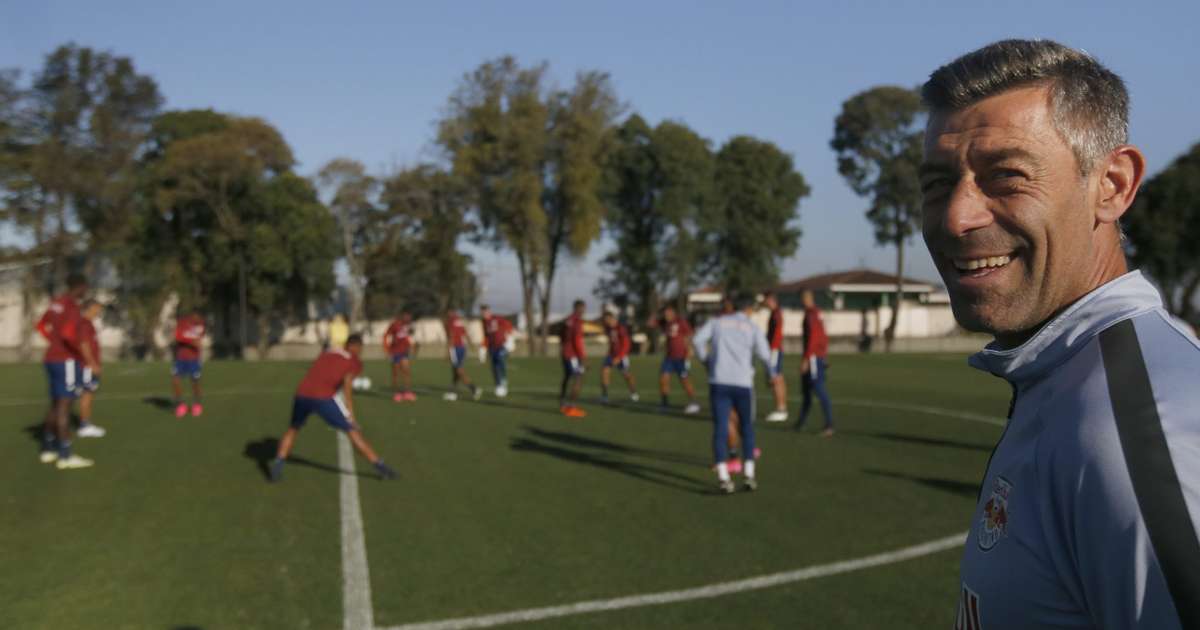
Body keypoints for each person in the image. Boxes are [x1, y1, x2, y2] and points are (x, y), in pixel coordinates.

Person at [920, 40, 1199, 629]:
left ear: (1113, 185)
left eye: (1007, 177)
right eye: (938, 185)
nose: (956, 216)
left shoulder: (1137, 431)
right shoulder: (1067, 377)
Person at [268, 334, 396, 482]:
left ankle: (278, 464)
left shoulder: (328, 351)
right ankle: (381, 467)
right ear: (357, 347)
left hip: (302, 393)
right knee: (352, 430)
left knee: (293, 429)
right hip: (323, 397)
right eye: (361, 348)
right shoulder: (354, 361)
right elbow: (347, 388)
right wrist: (351, 414)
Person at [692, 292, 776, 494]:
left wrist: (706, 361)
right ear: (748, 309)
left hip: (719, 382)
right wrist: (771, 373)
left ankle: (723, 477)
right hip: (743, 383)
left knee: (721, 428)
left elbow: (696, 341)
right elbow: (765, 355)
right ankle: (749, 475)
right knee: (747, 428)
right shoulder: (752, 327)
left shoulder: (717, 323)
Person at [35, 273, 96, 469]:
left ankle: (47, 449)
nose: (86, 291)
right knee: (64, 407)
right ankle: (65, 455)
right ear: (80, 287)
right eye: (85, 287)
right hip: (66, 361)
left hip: (51, 358)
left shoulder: (56, 303)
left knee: (55, 404)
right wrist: (83, 356)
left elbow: (41, 325)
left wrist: (52, 342)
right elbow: (69, 335)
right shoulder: (71, 306)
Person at [794, 290, 833, 437]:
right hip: (816, 356)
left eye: (803, 298)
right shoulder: (815, 313)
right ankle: (801, 422)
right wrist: (824, 354)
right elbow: (823, 336)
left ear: (808, 298)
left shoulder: (812, 314)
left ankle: (829, 424)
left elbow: (814, 338)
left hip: (813, 358)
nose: (802, 301)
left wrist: (807, 359)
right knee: (806, 392)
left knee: (818, 389)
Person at [650, 305, 700, 414]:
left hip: (681, 356)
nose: (666, 315)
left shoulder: (681, 322)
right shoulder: (664, 323)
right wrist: (656, 313)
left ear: (674, 313)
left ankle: (694, 402)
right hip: (669, 357)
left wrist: (689, 350)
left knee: (684, 381)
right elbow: (650, 324)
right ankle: (664, 404)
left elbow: (689, 335)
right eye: (665, 313)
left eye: (668, 313)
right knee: (663, 379)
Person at [75, 299, 106, 438]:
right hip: (87, 367)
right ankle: (84, 426)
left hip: (89, 365)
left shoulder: (88, 324)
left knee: (88, 394)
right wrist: (92, 364)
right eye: (97, 308)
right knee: (86, 394)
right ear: (90, 308)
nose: (99, 311)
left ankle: (85, 423)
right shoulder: (84, 324)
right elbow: (84, 345)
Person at [171, 308, 206, 418]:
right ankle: (181, 405)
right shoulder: (182, 323)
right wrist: (191, 341)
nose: (197, 319)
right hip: (180, 358)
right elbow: (178, 336)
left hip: (193, 359)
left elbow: (198, 338)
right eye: (195, 316)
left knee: (195, 382)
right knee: (175, 380)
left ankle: (197, 405)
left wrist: (192, 341)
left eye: (199, 317)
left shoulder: (200, 325)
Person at [599, 311, 638, 404]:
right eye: (606, 320)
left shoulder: (621, 328)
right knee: (604, 371)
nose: (607, 322)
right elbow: (612, 343)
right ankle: (605, 396)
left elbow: (626, 344)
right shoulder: (608, 329)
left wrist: (619, 357)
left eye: (609, 320)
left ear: (613, 319)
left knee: (626, 375)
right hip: (611, 355)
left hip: (621, 356)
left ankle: (634, 393)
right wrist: (609, 353)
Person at [443, 309, 481, 401]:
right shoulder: (459, 321)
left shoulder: (451, 321)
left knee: (459, 371)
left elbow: (451, 336)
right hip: (462, 348)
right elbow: (465, 334)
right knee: (455, 371)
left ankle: (474, 389)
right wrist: (471, 344)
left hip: (455, 349)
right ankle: (453, 393)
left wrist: (448, 351)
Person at [558, 300, 587, 418]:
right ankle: (572, 407)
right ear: (578, 308)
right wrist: (582, 357)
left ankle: (563, 402)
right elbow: (577, 340)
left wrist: (564, 345)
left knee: (567, 377)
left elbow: (560, 333)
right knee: (578, 379)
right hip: (572, 355)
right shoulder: (577, 321)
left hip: (565, 353)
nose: (584, 311)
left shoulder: (567, 320)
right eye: (583, 308)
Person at [762, 291, 789, 422]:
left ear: (772, 300)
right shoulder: (775, 313)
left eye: (766, 300)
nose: (765, 303)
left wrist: (772, 350)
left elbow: (777, 332)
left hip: (774, 350)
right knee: (779, 377)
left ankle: (780, 409)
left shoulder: (776, 314)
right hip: (775, 349)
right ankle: (782, 407)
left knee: (774, 379)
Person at [479, 305, 514, 397]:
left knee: (500, 359)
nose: (484, 314)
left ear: (489, 311)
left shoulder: (497, 318)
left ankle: (503, 379)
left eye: (485, 312)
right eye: (482, 313)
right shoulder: (484, 322)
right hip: (492, 347)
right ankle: (498, 385)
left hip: (501, 345)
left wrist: (510, 340)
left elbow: (509, 326)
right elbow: (486, 336)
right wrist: (483, 348)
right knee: (494, 366)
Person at [383, 310, 416, 402]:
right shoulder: (394, 324)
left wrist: (411, 346)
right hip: (395, 352)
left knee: (406, 371)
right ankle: (397, 394)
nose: (408, 318)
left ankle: (407, 393)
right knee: (396, 374)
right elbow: (386, 335)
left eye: (409, 316)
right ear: (402, 316)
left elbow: (408, 337)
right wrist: (386, 349)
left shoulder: (408, 325)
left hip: (404, 352)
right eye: (407, 316)